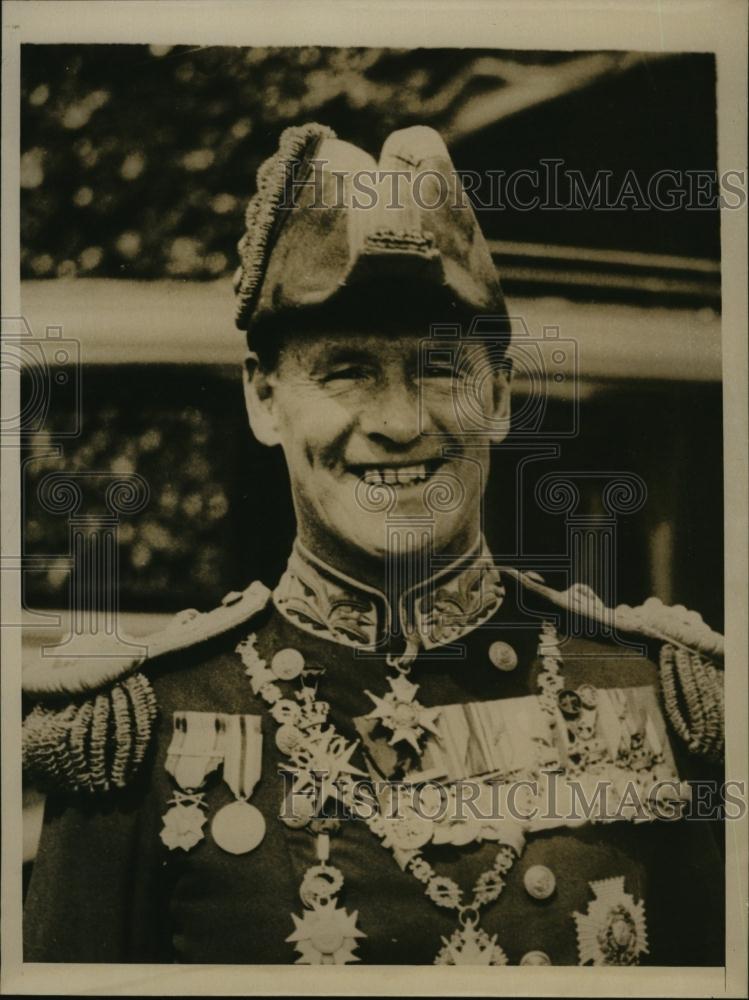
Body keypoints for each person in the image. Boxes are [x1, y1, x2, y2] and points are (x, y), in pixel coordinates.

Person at [22, 123, 725, 966]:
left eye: (439, 370)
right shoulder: (141, 731)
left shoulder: (656, 693)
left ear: (499, 395)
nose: (399, 423)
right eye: (347, 370)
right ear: (264, 399)